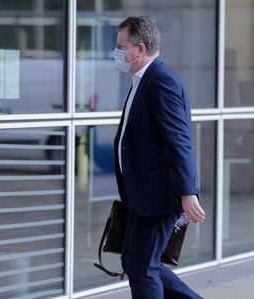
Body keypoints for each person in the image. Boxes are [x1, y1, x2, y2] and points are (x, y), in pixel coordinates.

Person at [112, 16, 206, 299]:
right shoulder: (142, 79)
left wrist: (188, 192)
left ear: (139, 49)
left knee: (143, 268)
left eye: (120, 46)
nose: (116, 52)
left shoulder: (160, 80)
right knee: (135, 261)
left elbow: (179, 140)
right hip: (141, 194)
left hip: (158, 196)